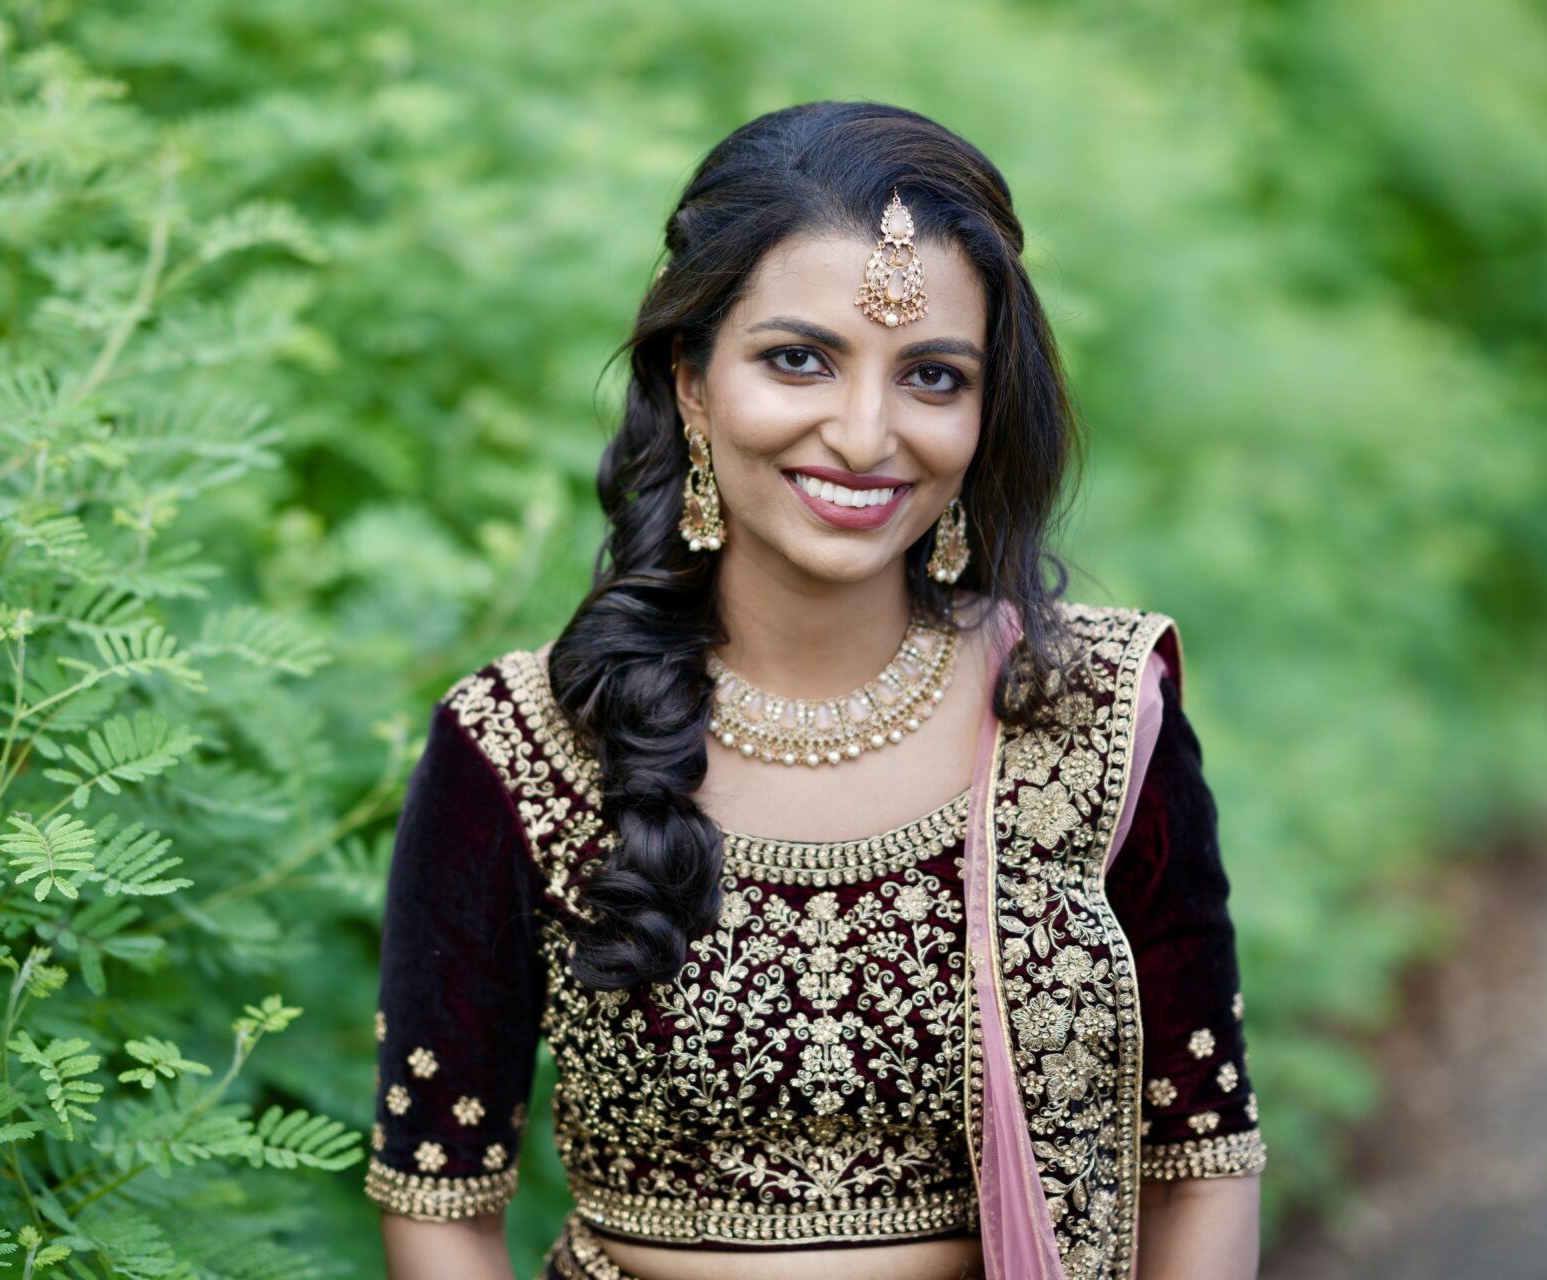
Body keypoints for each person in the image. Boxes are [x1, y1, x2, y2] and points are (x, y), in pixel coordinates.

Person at [364, 101, 1265, 1280]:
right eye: (799, 359)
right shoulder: (525, 745)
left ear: (984, 413)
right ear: (690, 380)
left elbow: (1198, 1152)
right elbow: (438, 1195)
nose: (863, 431)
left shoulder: (1088, 716)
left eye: (933, 376)